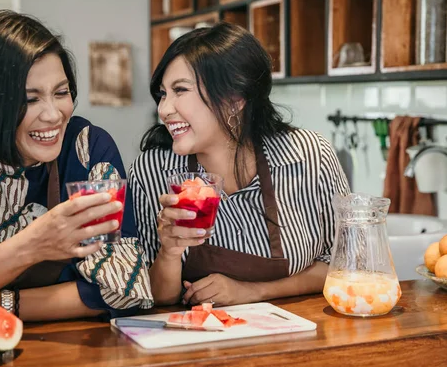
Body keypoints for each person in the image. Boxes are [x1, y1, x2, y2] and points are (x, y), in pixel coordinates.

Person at [0, 10, 153, 320]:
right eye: (29, 99)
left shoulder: (87, 150)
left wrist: (1, 303)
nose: (53, 115)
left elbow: (124, 289)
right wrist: (32, 245)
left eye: (61, 93)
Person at [129, 22, 350, 307]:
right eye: (163, 94)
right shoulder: (152, 171)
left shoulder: (308, 155)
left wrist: (251, 291)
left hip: (302, 336)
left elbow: (348, 264)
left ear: (235, 99)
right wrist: (169, 253)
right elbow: (152, 299)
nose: (164, 109)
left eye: (180, 90)